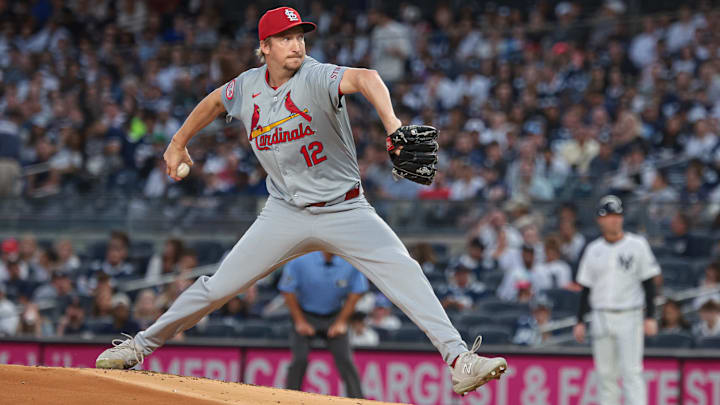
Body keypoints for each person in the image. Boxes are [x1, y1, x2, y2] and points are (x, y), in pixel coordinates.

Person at [95, 7, 507, 396]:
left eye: (300, 36)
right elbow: (215, 101)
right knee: (217, 286)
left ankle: (459, 359)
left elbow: (366, 77)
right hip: (284, 212)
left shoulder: (315, 76)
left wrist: (393, 124)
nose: (297, 44)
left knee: (406, 272)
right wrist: (177, 142)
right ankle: (139, 346)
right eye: (285, 38)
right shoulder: (248, 87)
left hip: (345, 209)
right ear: (265, 47)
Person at [573, 195, 660, 405]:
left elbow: (649, 282)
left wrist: (650, 316)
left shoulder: (637, 245)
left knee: (631, 373)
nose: (614, 220)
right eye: (609, 216)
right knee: (605, 376)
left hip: (629, 315)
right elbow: (586, 288)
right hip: (601, 315)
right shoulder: (593, 249)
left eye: (617, 215)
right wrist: (580, 321)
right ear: (600, 220)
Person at [278, 252, 366, 398]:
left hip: (334, 315)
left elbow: (357, 292)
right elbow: (287, 290)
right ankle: (289, 398)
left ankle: (358, 400)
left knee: (345, 359)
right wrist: (300, 321)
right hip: (305, 314)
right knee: (299, 359)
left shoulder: (350, 262)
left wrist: (341, 322)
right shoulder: (301, 261)